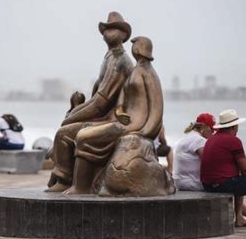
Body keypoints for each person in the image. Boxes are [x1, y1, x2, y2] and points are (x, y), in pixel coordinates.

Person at [46, 11, 134, 192]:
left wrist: (70, 119)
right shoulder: (109, 58)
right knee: (65, 129)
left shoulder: (119, 60)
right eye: (107, 29)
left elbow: (101, 102)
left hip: (114, 119)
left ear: (124, 35)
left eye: (115, 29)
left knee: (64, 134)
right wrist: (73, 113)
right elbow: (96, 99)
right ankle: (63, 179)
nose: (110, 33)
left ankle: (71, 182)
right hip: (104, 115)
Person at [64, 36, 164, 194]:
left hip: (135, 126)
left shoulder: (149, 74)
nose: (133, 48)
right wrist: (119, 111)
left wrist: (146, 131)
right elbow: (121, 101)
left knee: (84, 137)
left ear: (141, 49)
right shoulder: (134, 72)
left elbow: (157, 108)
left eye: (135, 45)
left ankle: (81, 187)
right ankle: (79, 185)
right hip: (124, 122)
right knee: (82, 134)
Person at [173, 113, 215, 190]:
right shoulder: (199, 140)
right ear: (204, 127)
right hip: (192, 183)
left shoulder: (188, 137)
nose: (213, 133)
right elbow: (208, 163)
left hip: (179, 182)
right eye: (212, 130)